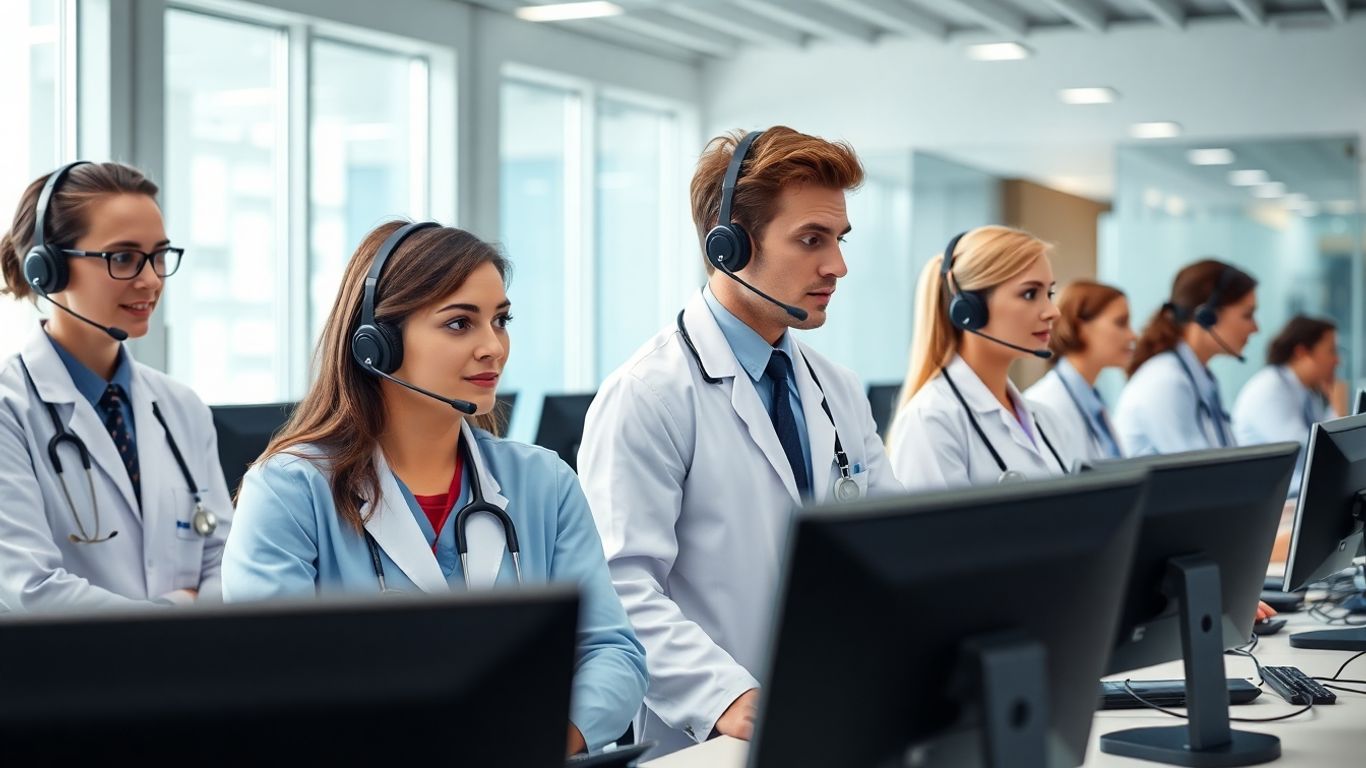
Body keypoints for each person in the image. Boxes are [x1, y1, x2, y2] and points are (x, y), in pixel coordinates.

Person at [221, 221, 645, 755]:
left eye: (500, 320)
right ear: (377, 344)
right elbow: (269, 689)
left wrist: (543, 739)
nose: (493, 347)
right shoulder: (289, 492)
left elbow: (612, 652)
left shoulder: (545, 483)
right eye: (459, 324)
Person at [578, 127, 902, 755]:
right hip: (715, 742)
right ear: (728, 245)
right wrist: (729, 697)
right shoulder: (649, 394)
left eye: (838, 240)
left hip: (838, 717)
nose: (836, 265)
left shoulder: (836, 388)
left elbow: (892, 545)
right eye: (811, 239)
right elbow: (619, 587)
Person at [0, 161, 231, 611]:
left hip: (189, 676)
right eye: (123, 257)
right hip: (66, 678)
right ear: (47, 270)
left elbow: (226, 562)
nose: (150, 280)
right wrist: (173, 615)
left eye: (159, 255)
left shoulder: (180, 406)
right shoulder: (10, 410)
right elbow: (31, 589)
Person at [887, 226, 1078, 490]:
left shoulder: (1046, 420)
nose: (1052, 312)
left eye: (1050, 294)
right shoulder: (932, 419)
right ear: (969, 309)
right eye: (1030, 294)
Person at [1114, 259, 1257, 456]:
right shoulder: (1165, 381)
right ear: (1207, 316)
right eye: (1247, 315)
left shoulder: (1201, 379)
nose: (1255, 328)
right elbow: (1199, 475)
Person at [1024, 280, 1134, 463]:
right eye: (1121, 323)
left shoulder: (1092, 398)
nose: (1133, 335)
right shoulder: (1047, 403)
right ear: (1081, 327)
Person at [1233, 314, 1344, 496]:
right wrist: (1339, 405)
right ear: (1302, 353)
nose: (1337, 361)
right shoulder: (1270, 389)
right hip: (1272, 500)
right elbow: (1313, 454)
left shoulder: (1307, 393)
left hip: (1291, 496)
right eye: (1331, 351)